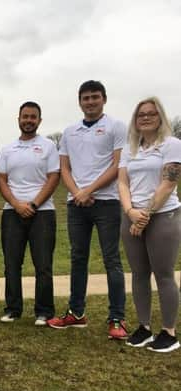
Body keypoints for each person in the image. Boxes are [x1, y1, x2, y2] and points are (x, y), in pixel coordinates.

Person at [47, 80, 128, 340]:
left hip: (107, 202)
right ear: (79, 101)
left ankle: (117, 318)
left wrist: (88, 190)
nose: (90, 102)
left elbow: (117, 166)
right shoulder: (70, 131)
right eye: (86, 98)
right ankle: (76, 313)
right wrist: (77, 193)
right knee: (77, 258)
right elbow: (64, 168)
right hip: (77, 205)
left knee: (111, 260)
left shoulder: (116, 126)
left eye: (95, 97)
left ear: (104, 99)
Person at [118, 97, 181, 352]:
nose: (145, 117)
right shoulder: (129, 148)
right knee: (139, 274)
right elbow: (122, 182)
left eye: (151, 114)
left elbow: (169, 183)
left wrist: (144, 215)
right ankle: (144, 327)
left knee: (163, 274)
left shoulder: (172, 144)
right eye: (140, 114)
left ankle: (169, 332)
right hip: (132, 216)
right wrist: (131, 211)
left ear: (160, 117)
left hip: (162, 216)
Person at [0, 101, 59, 326]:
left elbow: (54, 177)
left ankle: (44, 311)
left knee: (43, 265)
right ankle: (13, 309)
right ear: (19, 119)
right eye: (25, 116)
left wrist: (33, 205)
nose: (29, 120)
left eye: (33, 117)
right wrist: (16, 203)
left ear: (39, 121)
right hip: (12, 212)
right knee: (12, 263)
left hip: (42, 212)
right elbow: (1, 180)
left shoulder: (49, 146)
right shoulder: (7, 149)